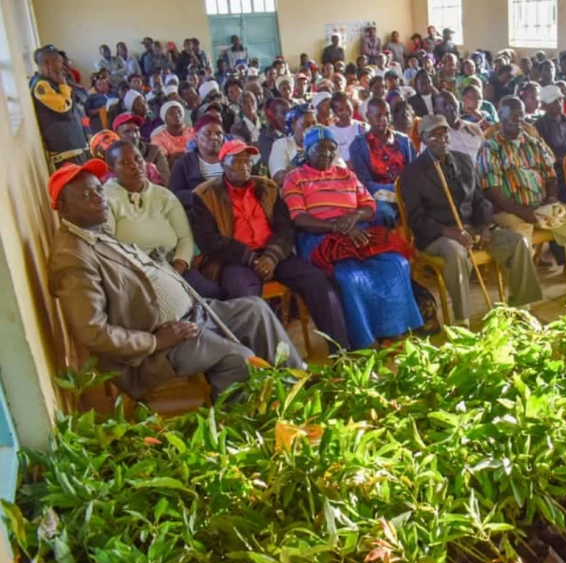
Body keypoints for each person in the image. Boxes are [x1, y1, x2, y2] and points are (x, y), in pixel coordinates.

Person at [48, 160, 302, 399]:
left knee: (255, 309)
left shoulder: (94, 229)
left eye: (98, 189)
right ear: (63, 208)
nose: (99, 199)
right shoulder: (72, 259)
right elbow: (93, 332)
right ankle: (239, 426)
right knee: (240, 360)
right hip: (160, 345)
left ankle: (297, 382)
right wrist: (156, 341)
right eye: (86, 196)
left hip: (193, 313)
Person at [190, 139, 350, 352]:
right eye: (237, 161)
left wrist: (271, 257)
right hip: (236, 259)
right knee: (245, 297)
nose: (244, 166)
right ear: (222, 165)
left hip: (273, 254)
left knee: (317, 281)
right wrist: (251, 258)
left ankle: (341, 352)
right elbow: (209, 241)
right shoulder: (205, 194)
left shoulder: (267, 187)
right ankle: (267, 366)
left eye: (248, 161)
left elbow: (285, 228)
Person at [283, 127, 423, 348]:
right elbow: (299, 218)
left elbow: (369, 206)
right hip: (320, 237)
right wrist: (338, 228)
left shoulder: (346, 174)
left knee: (397, 264)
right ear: (307, 151)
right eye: (320, 149)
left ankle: (393, 330)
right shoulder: (295, 178)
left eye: (331, 149)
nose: (327, 154)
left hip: (358, 231)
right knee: (349, 276)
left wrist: (356, 215)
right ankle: (364, 339)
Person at [402, 115, 543, 324]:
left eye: (444, 133)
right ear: (422, 138)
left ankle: (522, 308)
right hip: (438, 235)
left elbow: (480, 201)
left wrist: (484, 226)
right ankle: (462, 321)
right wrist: (449, 232)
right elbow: (417, 219)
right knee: (456, 252)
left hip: (472, 227)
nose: (442, 140)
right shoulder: (412, 173)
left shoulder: (463, 160)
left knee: (518, 243)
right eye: (434, 136)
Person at [477, 96, 566, 300]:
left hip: (541, 207)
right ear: (500, 116)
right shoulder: (491, 148)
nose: (518, 122)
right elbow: (492, 190)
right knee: (520, 243)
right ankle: (523, 302)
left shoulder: (533, 143)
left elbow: (550, 175)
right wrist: (523, 212)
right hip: (509, 211)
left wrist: (551, 198)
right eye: (512, 117)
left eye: (521, 117)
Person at [102, 140, 221, 298]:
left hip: (173, 267)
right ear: (112, 169)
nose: (135, 166)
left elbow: (185, 237)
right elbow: (109, 247)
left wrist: (178, 266)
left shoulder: (163, 195)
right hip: (138, 276)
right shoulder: (106, 199)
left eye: (138, 159)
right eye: (125, 162)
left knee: (213, 293)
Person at [349, 97, 414, 228]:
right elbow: (365, 183)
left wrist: (408, 190)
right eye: (378, 115)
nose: (384, 119)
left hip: (408, 191)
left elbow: (415, 171)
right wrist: (394, 189)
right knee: (383, 212)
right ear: (368, 116)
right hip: (380, 195)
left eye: (387, 114)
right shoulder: (359, 145)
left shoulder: (403, 141)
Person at [31, 45, 88, 165]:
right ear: (48, 64)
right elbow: (64, 110)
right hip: (65, 150)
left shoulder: (52, 82)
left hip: (73, 146)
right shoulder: (42, 86)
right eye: (59, 62)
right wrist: (63, 85)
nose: (62, 66)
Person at [534, 84, 566, 203]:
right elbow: (539, 155)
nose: (558, 103)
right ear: (544, 106)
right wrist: (562, 161)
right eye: (553, 101)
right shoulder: (540, 126)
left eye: (560, 99)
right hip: (555, 171)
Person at [168, 114, 226, 211]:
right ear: (196, 136)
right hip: (200, 216)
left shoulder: (231, 160)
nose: (214, 137)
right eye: (208, 133)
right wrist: (204, 196)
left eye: (219, 133)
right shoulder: (183, 163)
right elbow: (175, 194)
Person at [113, 111, 170, 185]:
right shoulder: (112, 156)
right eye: (127, 132)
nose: (134, 135)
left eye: (136, 131)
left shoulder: (154, 151)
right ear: (116, 134)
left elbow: (165, 180)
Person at [432, 90, 485, 164]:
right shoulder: (433, 137)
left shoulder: (474, 128)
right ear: (436, 111)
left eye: (453, 103)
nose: (450, 108)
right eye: (444, 105)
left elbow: (485, 152)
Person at [148, 100, 195, 169]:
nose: (177, 115)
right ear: (164, 118)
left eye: (179, 112)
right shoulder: (158, 138)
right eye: (171, 113)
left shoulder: (193, 131)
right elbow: (162, 162)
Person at [327, 92, 368, 164]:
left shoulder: (362, 127)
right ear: (334, 113)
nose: (346, 112)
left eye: (348, 107)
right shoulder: (330, 133)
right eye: (341, 110)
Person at [258, 97, 290, 167]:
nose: (288, 116)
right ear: (274, 116)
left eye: (289, 112)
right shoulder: (265, 137)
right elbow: (270, 163)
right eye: (284, 113)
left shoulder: (294, 132)